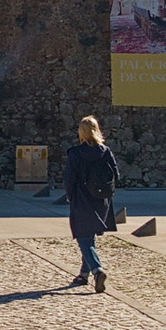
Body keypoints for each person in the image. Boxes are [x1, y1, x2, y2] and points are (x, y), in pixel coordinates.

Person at [64, 115, 119, 292]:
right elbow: (116, 175)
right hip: (101, 200)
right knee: (89, 236)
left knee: (82, 237)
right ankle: (83, 275)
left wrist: (70, 196)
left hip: (82, 198)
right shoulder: (106, 151)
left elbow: (70, 178)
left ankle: (96, 269)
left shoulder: (75, 153)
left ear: (81, 132)